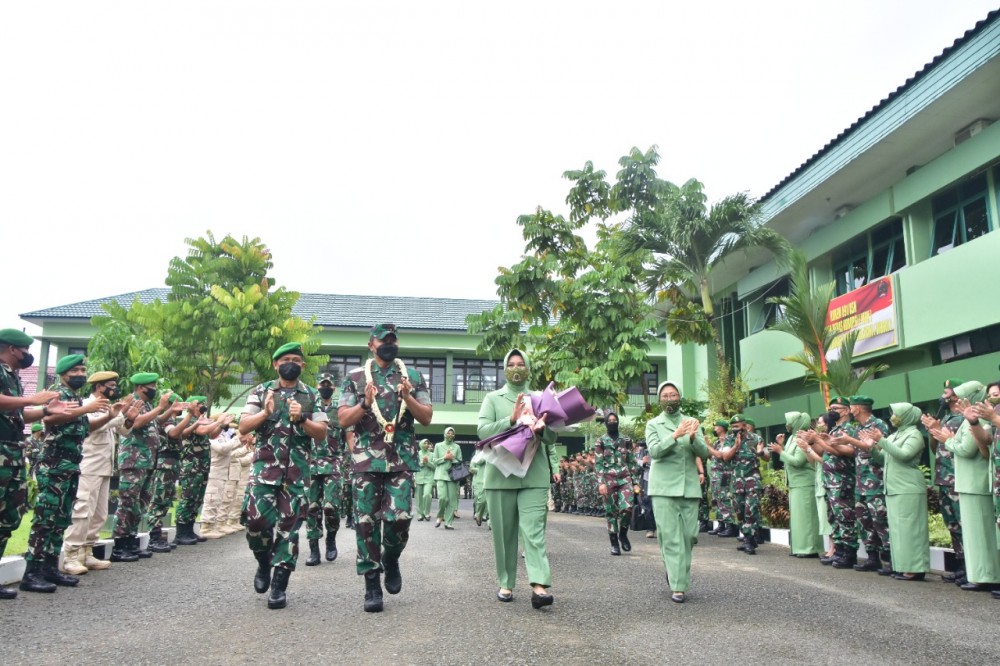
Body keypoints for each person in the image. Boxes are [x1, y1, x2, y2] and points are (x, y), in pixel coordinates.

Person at [338, 324, 432, 613]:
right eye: (383, 340)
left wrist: (408, 398)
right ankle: (371, 584)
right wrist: (365, 403)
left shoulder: (413, 377)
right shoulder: (355, 378)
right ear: (371, 345)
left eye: (393, 340)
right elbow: (343, 419)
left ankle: (391, 558)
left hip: (400, 458)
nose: (389, 344)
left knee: (399, 518)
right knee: (366, 523)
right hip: (366, 460)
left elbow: (426, 417)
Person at [240, 342, 329, 610]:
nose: (291, 362)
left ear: (302, 365)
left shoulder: (311, 395)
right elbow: (243, 424)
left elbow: (322, 432)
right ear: (275, 364)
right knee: (256, 524)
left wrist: (303, 419)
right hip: (264, 471)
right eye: (285, 359)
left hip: (297, 475)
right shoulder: (261, 391)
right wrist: (266, 413)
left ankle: (279, 585)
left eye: (296, 359)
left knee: (289, 531)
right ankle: (263, 561)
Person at [477, 348, 560, 608]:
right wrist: (510, 419)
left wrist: (543, 429)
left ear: (528, 368)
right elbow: (482, 431)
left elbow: (553, 438)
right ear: (504, 368)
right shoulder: (493, 398)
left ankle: (539, 585)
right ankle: (506, 582)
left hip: (534, 474)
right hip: (501, 475)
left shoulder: (540, 398)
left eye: (521, 364)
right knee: (504, 534)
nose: (516, 368)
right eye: (511, 364)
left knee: (534, 531)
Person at [21, 354, 109, 592]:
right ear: (64, 373)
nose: (80, 374)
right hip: (54, 465)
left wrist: (107, 416)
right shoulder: (56, 393)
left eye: (83, 370)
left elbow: (84, 427)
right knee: (45, 520)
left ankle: (50, 568)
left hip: (71, 465)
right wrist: (86, 408)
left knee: (60, 520)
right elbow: (51, 418)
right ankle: (32, 573)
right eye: (76, 371)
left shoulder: (76, 397)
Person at [0, 329, 67, 600]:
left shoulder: (12, 376)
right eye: (25, 350)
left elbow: (18, 415)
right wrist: (32, 400)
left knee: (9, 517)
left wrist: (46, 411)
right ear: (14, 349)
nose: (28, 355)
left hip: (13, 453)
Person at [62, 371, 137, 573]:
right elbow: (93, 428)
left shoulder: (110, 407)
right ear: (99, 387)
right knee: (82, 512)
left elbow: (123, 431)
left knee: (99, 514)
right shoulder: (87, 404)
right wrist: (117, 415)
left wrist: (128, 419)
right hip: (89, 466)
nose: (115, 389)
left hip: (104, 467)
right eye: (111, 385)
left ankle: (87, 552)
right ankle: (70, 555)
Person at [930, 381, 1000, 592]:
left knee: (981, 534)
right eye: (991, 394)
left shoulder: (989, 417)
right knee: (972, 534)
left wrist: (949, 440)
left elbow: (967, 449)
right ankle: (980, 574)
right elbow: (986, 446)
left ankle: (987, 575)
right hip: (979, 481)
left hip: (976, 483)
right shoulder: (977, 418)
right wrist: (972, 422)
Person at [645, 380, 709, 603]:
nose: (669, 399)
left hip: (689, 487)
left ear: (679, 397)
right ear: (659, 400)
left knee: (689, 536)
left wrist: (691, 438)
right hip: (663, 488)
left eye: (673, 395)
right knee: (671, 537)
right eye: (665, 396)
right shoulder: (654, 424)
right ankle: (678, 585)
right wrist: (674, 436)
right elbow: (654, 451)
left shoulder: (692, 422)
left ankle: (675, 572)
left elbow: (704, 452)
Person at [863, 402, 930, 581]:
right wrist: (871, 448)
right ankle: (902, 566)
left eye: (897, 413)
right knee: (899, 531)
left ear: (907, 416)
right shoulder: (896, 435)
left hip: (908, 488)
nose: (893, 417)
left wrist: (881, 441)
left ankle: (916, 568)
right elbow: (885, 458)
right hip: (894, 488)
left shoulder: (914, 435)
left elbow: (904, 455)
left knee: (911, 530)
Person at [111, 373, 172, 562]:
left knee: (140, 504)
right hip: (133, 460)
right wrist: (161, 407)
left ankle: (131, 540)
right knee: (128, 502)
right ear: (140, 387)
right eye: (151, 385)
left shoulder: (147, 406)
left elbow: (154, 423)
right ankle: (119, 544)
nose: (154, 389)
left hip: (146, 461)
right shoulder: (131, 403)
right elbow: (135, 423)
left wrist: (166, 411)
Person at [920, 378, 966, 582]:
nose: (943, 396)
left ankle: (970, 565)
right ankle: (961, 564)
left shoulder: (965, 419)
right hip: (944, 478)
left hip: (959, 478)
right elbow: (935, 448)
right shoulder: (946, 418)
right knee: (952, 524)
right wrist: (933, 430)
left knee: (964, 523)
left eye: (947, 392)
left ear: (957, 395)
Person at [841, 395, 892, 574]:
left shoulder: (878, 425)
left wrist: (850, 440)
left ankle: (890, 559)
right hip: (860, 482)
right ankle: (872, 557)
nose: (850, 410)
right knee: (864, 521)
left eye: (852, 406)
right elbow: (853, 451)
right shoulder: (858, 429)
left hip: (875, 481)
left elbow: (881, 451)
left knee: (880, 520)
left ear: (859, 408)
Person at [765, 412, 824, 558]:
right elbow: (791, 456)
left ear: (797, 422)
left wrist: (780, 452)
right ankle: (799, 547)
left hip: (805, 484)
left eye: (789, 421)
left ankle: (810, 548)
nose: (787, 424)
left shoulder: (803, 438)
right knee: (799, 520)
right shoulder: (792, 437)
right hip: (795, 484)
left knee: (807, 519)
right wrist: (782, 446)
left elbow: (798, 461)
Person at [811, 397, 859, 569]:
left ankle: (849, 553)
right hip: (830, 481)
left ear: (846, 410)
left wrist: (820, 441)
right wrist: (813, 441)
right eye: (830, 408)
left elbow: (846, 452)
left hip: (843, 480)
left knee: (845, 518)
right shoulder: (834, 430)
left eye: (836, 408)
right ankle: (839, 550)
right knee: (835, 517)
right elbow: (824, 452)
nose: (832, 411)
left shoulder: (849, 430)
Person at [175, 398, 231, 542]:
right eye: (199, 405)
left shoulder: (201, 419)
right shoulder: (188, 420)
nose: (202, 408)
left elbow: (211, 434)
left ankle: (189, 530)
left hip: (202, 465)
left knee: (197, 498)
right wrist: (219, 421)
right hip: (191, 465)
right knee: (188, 498)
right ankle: (181, 532)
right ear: (192, 407)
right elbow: (202, 430)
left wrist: (221, 425)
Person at [708, 415, 762, 555]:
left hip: (752, 480)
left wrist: (762, 452)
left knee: (751, 509)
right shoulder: (729, 440)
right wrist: (736, 446)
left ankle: (749, 540)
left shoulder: (756, 438)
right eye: (733, 427)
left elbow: (766, 455)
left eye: (737, 426)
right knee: (740, 511)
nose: (734, 429)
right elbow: (725, 457)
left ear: (744, 426)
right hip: (737, 481)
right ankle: (748, 537)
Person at [306, 373, 346, 565]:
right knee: (312, 507)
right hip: (310, 464)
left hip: (333, 463)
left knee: (332, 507)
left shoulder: (340, 411)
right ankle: (314, 549)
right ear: (317, 386)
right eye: (322, 384)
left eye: (328, 384)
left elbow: (348, 437)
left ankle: (331, 539)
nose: (325, 387)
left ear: (334, 388)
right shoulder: (309, 408)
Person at [145, 396, 192, 553]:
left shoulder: (172, 420)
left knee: (165, 500)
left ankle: (159, 536)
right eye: (179, 404)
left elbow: (182, 434)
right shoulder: (166, 420)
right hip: (165, 463)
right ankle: (154, 537)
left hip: (172, 462)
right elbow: (173, 434)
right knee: (159, 499)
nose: (182, 407)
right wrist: (190, 416)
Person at [594, 411, 638, 556]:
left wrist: (636, 482)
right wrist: (601, 482)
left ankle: (623, 534)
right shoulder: (600, 441)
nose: (613, 422)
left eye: (615, 420)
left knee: (628, 508)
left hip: (625, 477)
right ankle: (614, 542)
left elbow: (631, 462)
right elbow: (599, 463)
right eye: (610, 420)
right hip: (608, 479)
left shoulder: (626, 439)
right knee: (611, 511)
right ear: (606, 422)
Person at [201, 418, 244, 539]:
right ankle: (206, 527)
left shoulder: (222, 437)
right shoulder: (212, 438)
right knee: (212, 499)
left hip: (222, 473)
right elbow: (223, 449)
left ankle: (214, 525)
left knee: (219, 500)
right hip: (215, 472)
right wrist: (237, 438)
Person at [708, 420, 736, 536]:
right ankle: (721, 524)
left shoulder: (728, 441)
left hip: (724, 474)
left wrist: (707, 446)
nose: (714, 429)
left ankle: (730, 525)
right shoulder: (716, 443)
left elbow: (721, 456)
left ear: (722, 428)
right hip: (715, 474)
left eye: (716, 427)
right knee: (716, 498)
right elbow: (713, 457)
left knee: (723, 497)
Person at [433, 427, 462, 529]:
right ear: (444, 434)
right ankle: (440, 515)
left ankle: (448, 522)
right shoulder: (438, 445)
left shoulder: (457, 447)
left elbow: (460, 461)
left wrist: (453, 458)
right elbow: (434, 461)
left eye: (452, 434)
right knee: (443, 498)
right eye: (448, 433)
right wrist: (444, 458)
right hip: (441, 474)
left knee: (452, 500)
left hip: (453, 476)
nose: (450, 435)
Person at [413, 439, 435, 521]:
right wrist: (422, 462)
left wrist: (428, 462)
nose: (426, 444)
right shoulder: (417, 454)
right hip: (419, 477)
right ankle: (420, 514)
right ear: (421, 444)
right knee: (418, 497)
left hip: (429, 478)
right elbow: (414, 466)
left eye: (427, 443)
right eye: (424, 443)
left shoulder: (432, 455)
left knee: (427, 495)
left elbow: (435, 467)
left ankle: (426, 513)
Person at [470, 449, 489, 527]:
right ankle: (478, 513)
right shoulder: (477, 456)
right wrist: (487, 455)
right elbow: (473, 467)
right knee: (481, 499)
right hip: (480, 480)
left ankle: (489, 520)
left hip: (492, 479)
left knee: (490, 501)